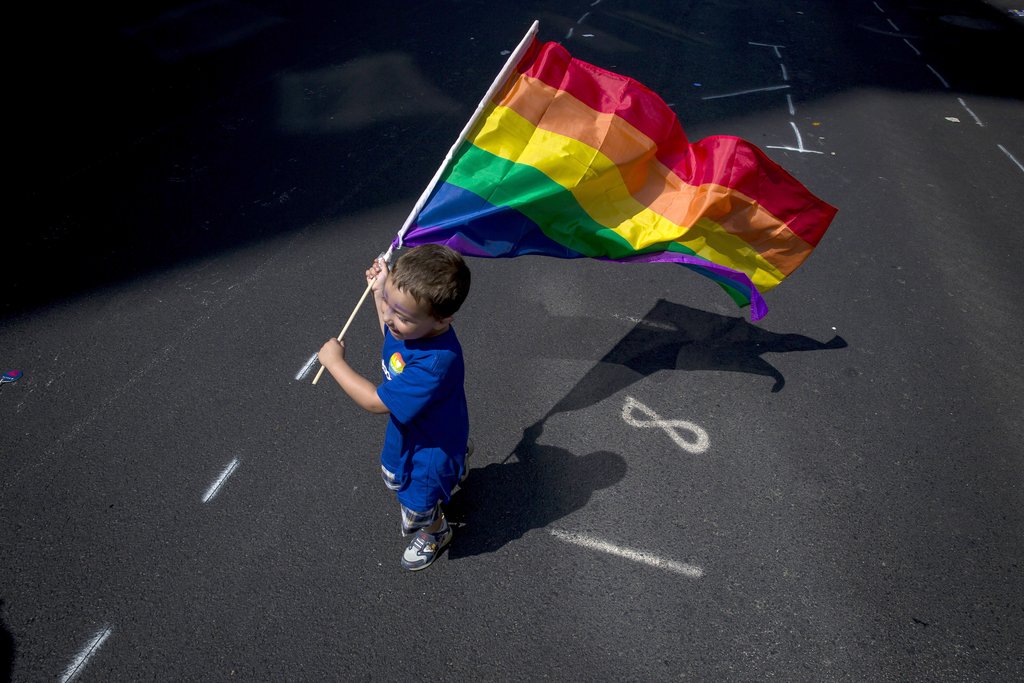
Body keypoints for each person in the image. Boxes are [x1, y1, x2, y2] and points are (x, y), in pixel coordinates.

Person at [318, 244, 472, 571]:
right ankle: (459, 455)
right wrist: (379, 292)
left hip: (428, 449)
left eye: (400, 315)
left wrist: (335, 365)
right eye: (388, 303)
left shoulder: (434, 362)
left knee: (417, 502)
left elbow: (376, 402)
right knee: (393, 474)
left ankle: (436, 532)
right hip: (415, 431)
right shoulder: (413, 329)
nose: (389, 318)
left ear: (442, 319)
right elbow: (394, 345)